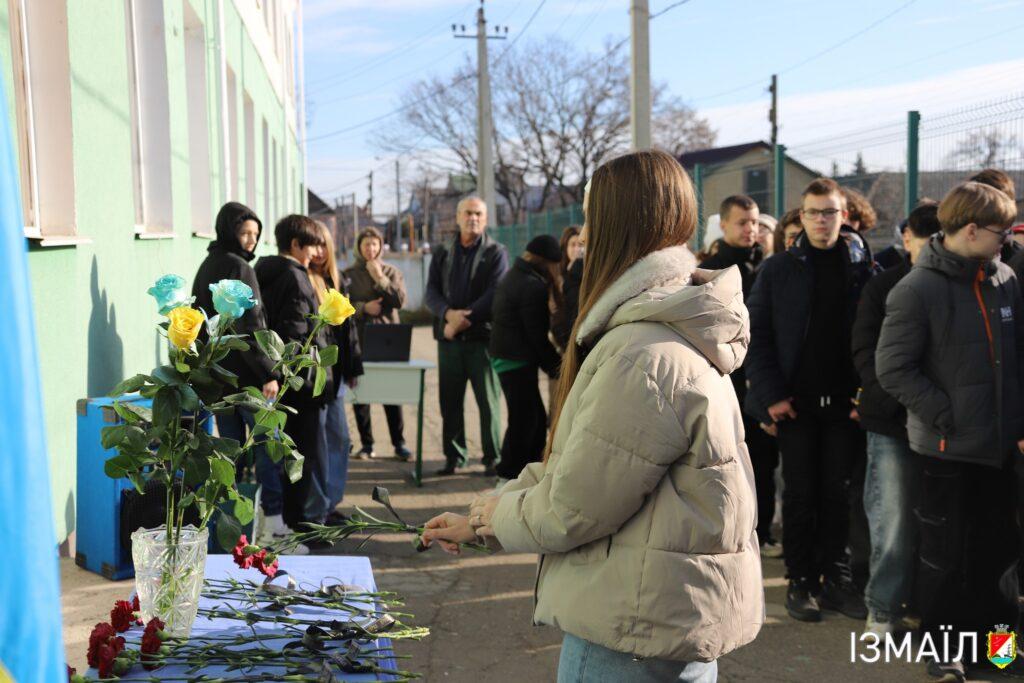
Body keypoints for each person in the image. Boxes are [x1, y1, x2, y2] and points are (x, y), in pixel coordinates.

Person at [421, 150, 763, 683]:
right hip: (669, 616)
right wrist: (484, 516)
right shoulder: (673, 325)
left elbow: (571, 508)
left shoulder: (640, 352)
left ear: (612, 224)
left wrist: (489, 519)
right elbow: (581, 466)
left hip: (631, 628)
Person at [876, 182, 1023, 681]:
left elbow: (1017, 358)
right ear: (972, 230)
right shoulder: (916, 289)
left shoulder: (1004, 278)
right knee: (946, 557)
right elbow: (894, 369)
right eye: (1001, 231)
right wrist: (946, 415)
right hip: (946, 451)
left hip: (999, 449)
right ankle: (945, 651)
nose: (1008, 240)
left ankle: (1000, 652)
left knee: (1000, 555)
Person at [746, 177, 875, 623]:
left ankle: (837, 580)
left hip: (845, 405)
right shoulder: (778, 269)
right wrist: (770, 398)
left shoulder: (863, 268)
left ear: (845, 215)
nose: (822, 221)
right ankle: (802, 583)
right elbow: (755, 338)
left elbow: (876, 341)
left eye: (830, 212)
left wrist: (867, 398)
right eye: (814, 213)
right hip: (795, 406)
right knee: (800, 495)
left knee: (839, 496)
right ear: (801, 217)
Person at [851, 201, 940, 636]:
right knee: (893, 518)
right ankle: (883, 610)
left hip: (943, 425)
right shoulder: (884, 286)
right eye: (927, 242)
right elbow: (866, 353)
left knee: (938, 522)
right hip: (891, 422)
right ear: (907, 240)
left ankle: (928, 610)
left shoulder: (962, 286)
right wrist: (895, 402)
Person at [191, 203, 300, 549]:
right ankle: (274, 528)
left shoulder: (208, 265)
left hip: (219, 380)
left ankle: (231, 535)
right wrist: (270, 372)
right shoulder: (239, 268)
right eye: (245, 233)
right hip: (251, 380)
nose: (252, 241)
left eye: (256, 234)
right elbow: (253, 326)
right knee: (270, 449)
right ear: (230, 232)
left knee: (230, 459)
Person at [700, 195, 781, 558]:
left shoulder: (767, 265)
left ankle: (760, 533)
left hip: (760, 382)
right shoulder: (710, 270)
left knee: (763, 464)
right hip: (725, 381)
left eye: (755, 223)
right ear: (724, 226)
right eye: (743, 223)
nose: (752, 230)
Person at [255, 215, 333, 539]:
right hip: (300, 382)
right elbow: (298, 334)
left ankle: (284, 522)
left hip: (275, 379)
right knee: (302, 457)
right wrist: (314, 372)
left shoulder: (261, 271)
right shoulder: (296, 277)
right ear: (296, 245)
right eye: (312, 244)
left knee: (282, 456)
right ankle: (298, 526)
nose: (317, 252)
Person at [424, 196, 509, 477]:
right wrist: (447, 314)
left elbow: (496, 293)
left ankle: (492, 458)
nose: (473, 218)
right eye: (468, 213)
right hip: (448, 340)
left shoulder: (496, 252)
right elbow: (431, 293)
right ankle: (454, 457)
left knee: (488, 402)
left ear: (485, 219)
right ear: (458, 217)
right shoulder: (443, 252)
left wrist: (462, 320)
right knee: (449, 401)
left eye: (479, 214)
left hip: (481, 340)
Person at [489, 234, 562, 484]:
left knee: (530, 418)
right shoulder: (533, 286)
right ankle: (509, 474)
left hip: (505, 356)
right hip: (515, 360)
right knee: (526, 421)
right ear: (548, 262)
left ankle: (524, 473)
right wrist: (558, 367)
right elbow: (537, 337)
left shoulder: (514, 275)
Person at [309, 222, 363, 526]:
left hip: (336, 374)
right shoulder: (305, 278)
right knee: (328, 441)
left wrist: (353, 367)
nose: (318, 252)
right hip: (319, 376)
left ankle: (330, 503)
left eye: (322, 245)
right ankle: (322, 507)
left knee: (340, 440)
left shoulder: (335, 278)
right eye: (312, 245)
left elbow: (348, 328)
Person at [344, 227, 410, 461]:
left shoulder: (392, 271)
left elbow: (400, 300)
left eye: (375, 244)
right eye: (366, 245)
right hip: (360, 338)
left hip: (388, 338)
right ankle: (367, 444)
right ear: (358, 248)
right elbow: (342, 306)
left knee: (391, 394)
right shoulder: (349, 274)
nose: (370, 249)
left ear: (381, 246)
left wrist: (380, 278)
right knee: (361, 394)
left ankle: (399, 443)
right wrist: (363, 308)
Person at [551, 226, 583, 350]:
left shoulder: (588, 273)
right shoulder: (559, 275)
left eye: (580, 245)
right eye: (572, 245)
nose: (577, 249)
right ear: (565, 248)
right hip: (564, 338)